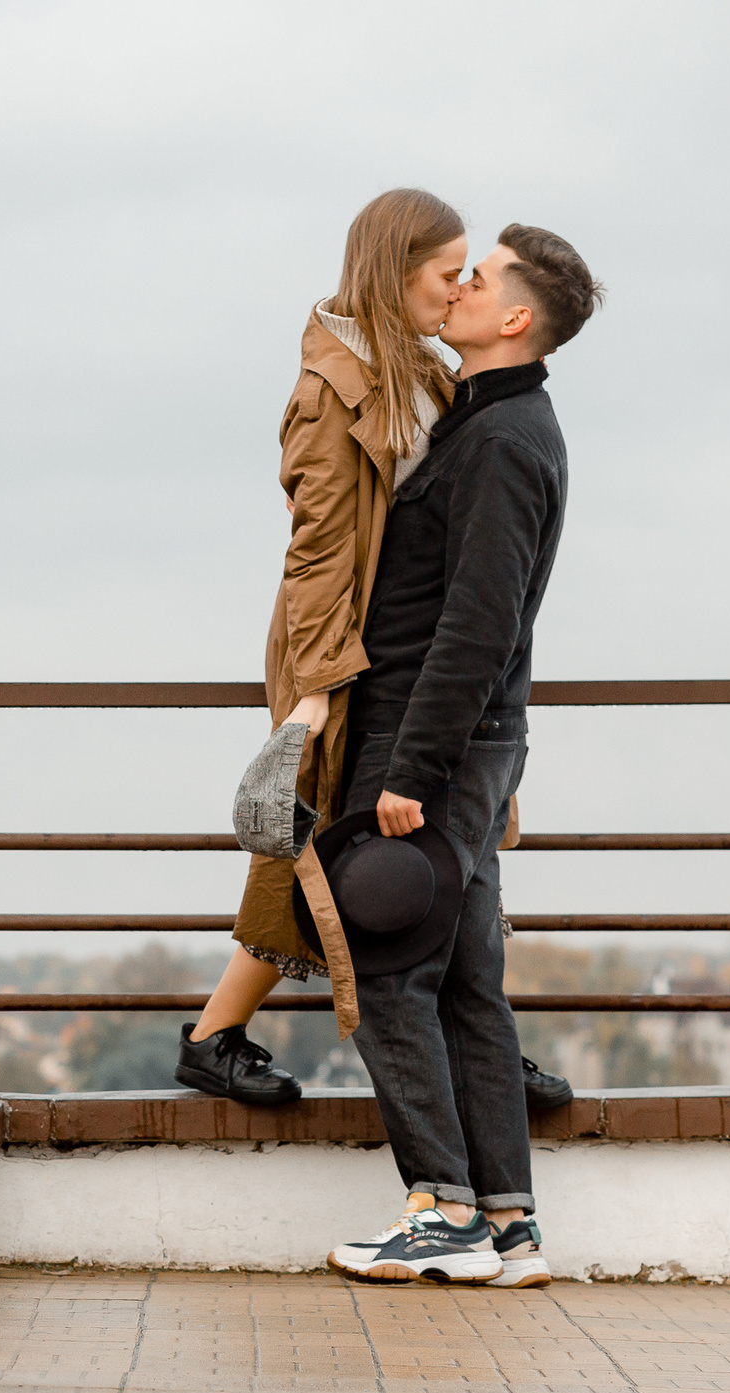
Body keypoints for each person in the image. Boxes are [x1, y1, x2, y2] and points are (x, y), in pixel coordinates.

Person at [323, 224, 603, 1287]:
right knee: (468, 986)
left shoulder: (500, 441)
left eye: (477, 279)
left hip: (427, 739)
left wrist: (409, 770)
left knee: (390, 969)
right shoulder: (496, 423)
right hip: (472, 743)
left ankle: (441, 1214)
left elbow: (478, 626)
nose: (461, 286)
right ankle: (509, 1223)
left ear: (515, 319)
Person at [173, 188, 464, 1107]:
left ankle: (474, 1038)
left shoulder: (421, 369)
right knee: (314, 843)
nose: (458, 294)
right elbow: (320, 551)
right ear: (396, 268)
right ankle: (215, 1035)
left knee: (419, 839)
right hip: (342, 652)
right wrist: (317, 690)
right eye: (446, 275)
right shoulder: (332, 388)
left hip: (404, 649)